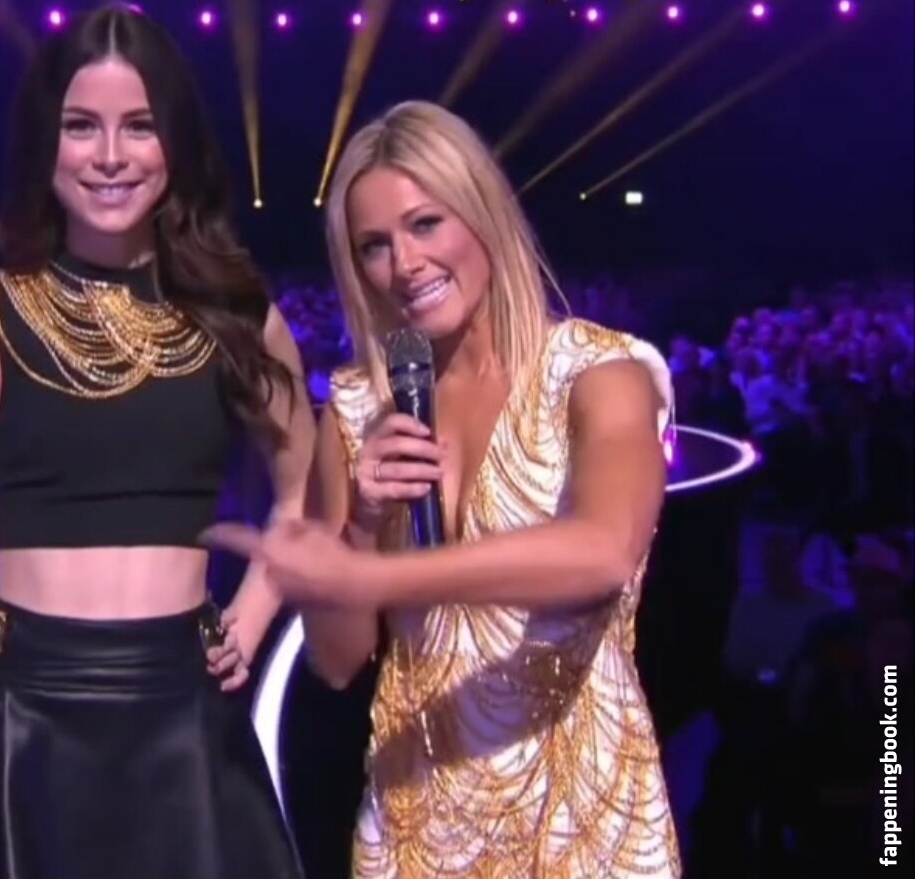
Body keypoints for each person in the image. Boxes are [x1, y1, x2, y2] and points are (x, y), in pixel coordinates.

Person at [0, 4, 314, 879]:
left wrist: (253, 614)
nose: (110, 155)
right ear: (44, 142)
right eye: (82, 126)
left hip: (186, 717)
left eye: (140, 127)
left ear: (177, 144)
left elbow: (305, 495)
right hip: (25, 715)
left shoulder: (241, 321)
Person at [206, 101, 681, 877]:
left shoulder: (599, 374)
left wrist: (378, 576)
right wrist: (363, 527)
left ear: (481, 211)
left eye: (426, 224)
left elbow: (603, 553)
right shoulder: (358, 410)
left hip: (583, 816)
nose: (406, 264)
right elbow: (335, 661)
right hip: (418, 821)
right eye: (375, 245)